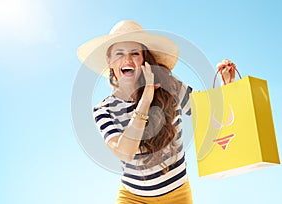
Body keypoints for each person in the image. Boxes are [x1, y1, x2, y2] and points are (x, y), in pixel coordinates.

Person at [77, 20, 235, 204]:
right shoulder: (104, 110)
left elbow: (209, 111)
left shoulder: (171, 87)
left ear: (143, 59)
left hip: (178, 195)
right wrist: (145, 100)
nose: (127, 60)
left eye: (134, 53)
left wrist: (226, 85)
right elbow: (124, 152)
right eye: (119, 54)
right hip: (132, 198)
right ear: (110, 62)